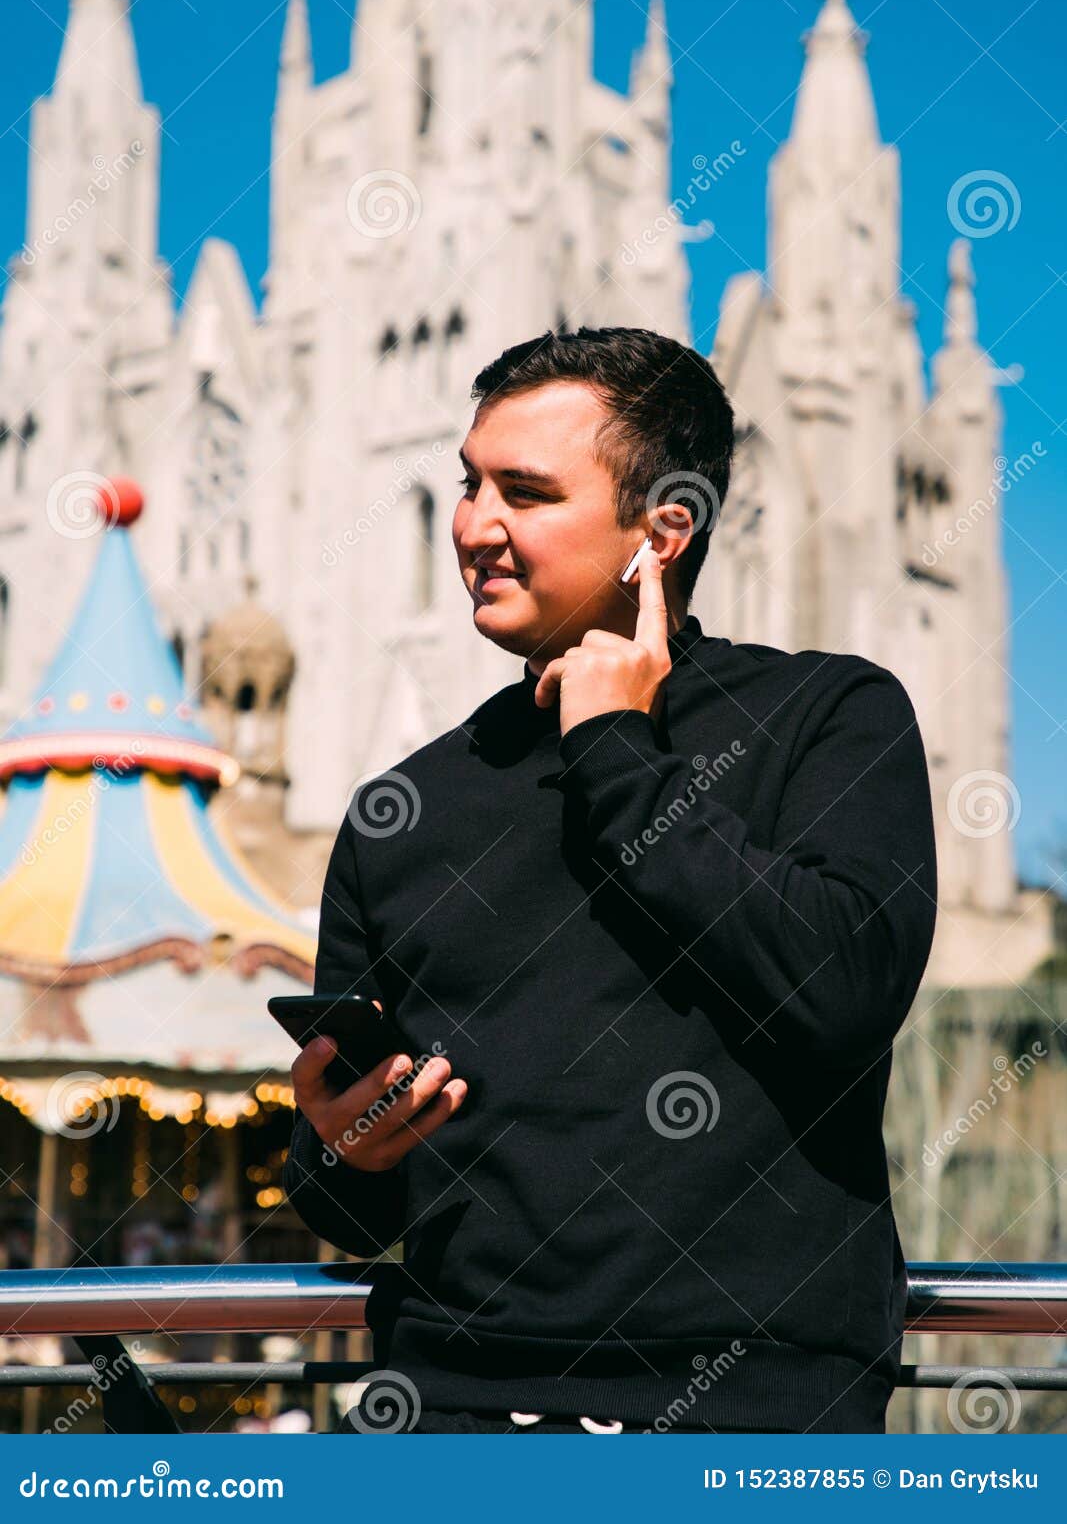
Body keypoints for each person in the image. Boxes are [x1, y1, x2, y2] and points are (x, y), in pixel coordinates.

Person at [283, 326, 937, 1434]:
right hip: (449, 1410)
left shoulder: (830, 717)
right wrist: (337, 1146)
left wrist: (614, 753)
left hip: (749, 1416)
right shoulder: (403, 806)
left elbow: (842, 991)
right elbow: (351, 1197)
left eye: (525, 492)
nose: (471, 527)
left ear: (661, 531)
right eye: (468, 482)